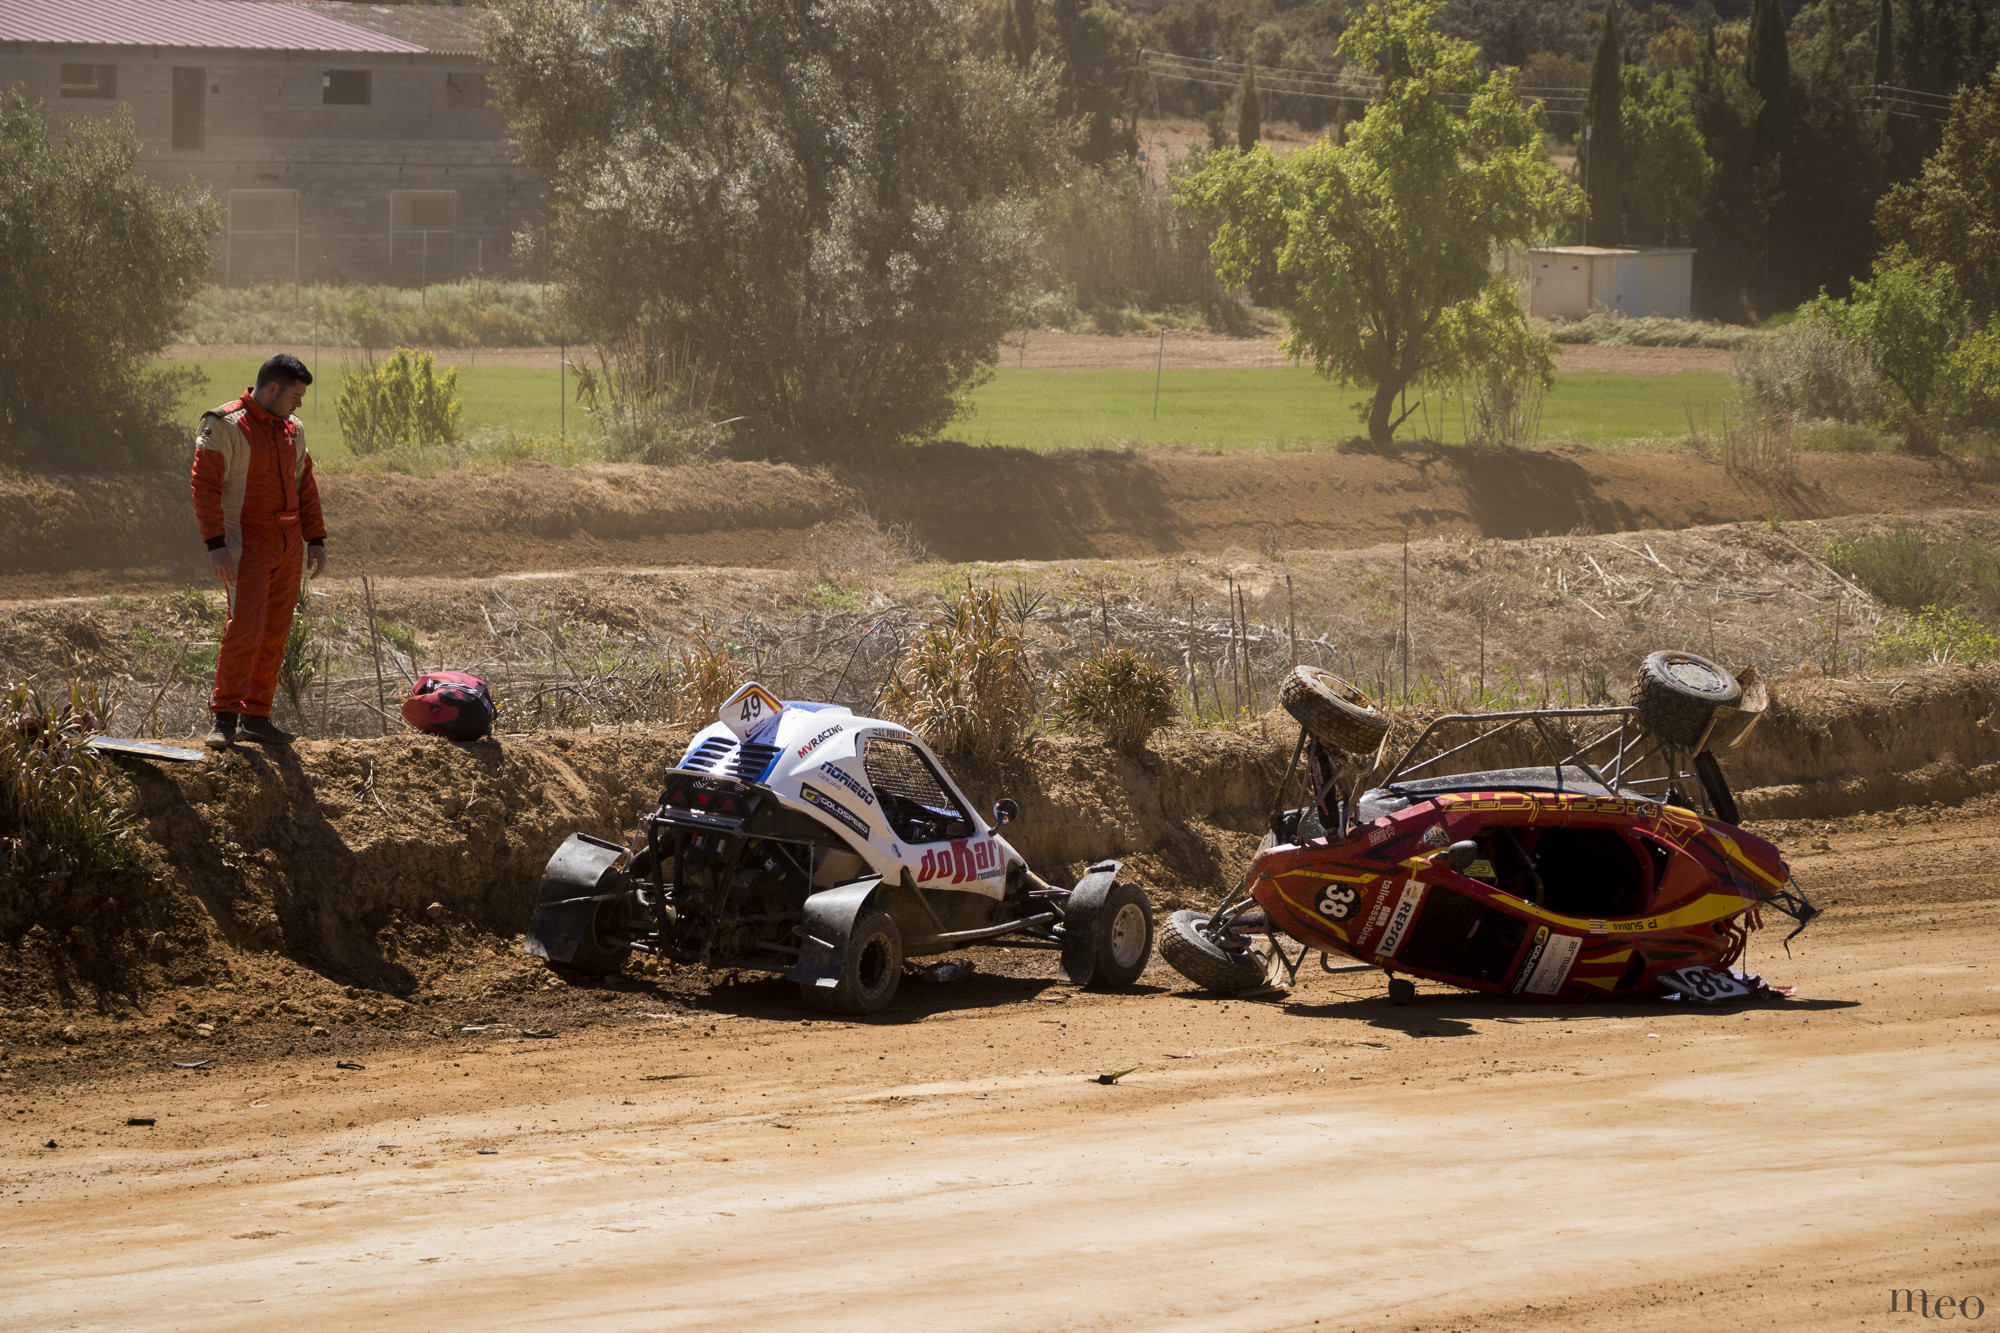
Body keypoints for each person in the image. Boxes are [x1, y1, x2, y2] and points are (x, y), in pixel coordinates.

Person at [191, 353, 329, 749]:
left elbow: (305, 483)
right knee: (245, 628)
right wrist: (215, 546)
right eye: (295, 395)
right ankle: (224, 717)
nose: (299, 403)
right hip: (244, 545)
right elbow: (204, 488)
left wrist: (315, 538)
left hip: (288, 545)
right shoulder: (224, 424)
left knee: (276, 633)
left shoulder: (293, 428)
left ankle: (257, 715)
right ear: (273, 389)